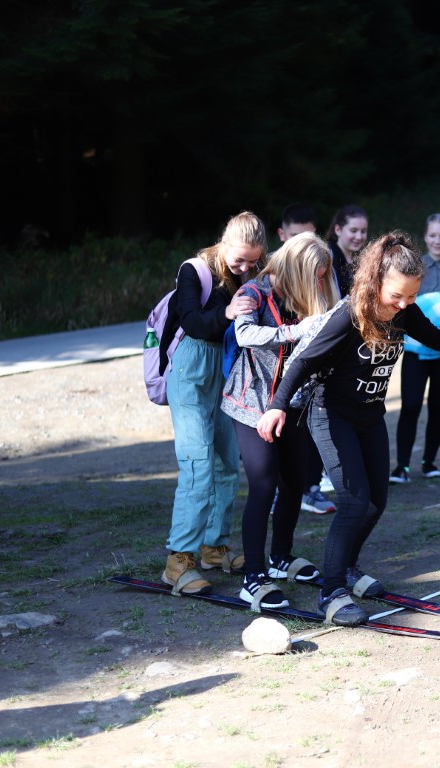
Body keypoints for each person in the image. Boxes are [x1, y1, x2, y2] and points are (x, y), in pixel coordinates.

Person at [255, 231, 440, 627]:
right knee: (353, 501)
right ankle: (332, 592)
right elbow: (303, 362)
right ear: (375, 281)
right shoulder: (349, 314)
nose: (403, 304)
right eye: (397, 295)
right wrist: (276, 407)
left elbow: (437, 337)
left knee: (376, 502)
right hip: (331, 414)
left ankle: (347, 568)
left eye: (411, 296)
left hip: (369, 417)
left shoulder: (404, 311)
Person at [221, 232, 341, 609]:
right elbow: (244, 334)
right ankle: (253, 576)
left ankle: (281, 558)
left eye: (323, 277)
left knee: (294, 482)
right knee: (263, 484)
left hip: (293, 402)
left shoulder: (307, 294)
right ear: (297, 268)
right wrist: (296, 330)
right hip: (252, 403)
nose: (319, 284)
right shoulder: (254, 292)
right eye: (315, 276)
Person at [161, 211, 266, 596]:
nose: (245, 268)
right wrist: (228, 311)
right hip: (190, 368)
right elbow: (192, 321)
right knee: (197, 464)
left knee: (227, 462)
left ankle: (214, 547)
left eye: (253, 262)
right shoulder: (195, 270)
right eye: (239, 260)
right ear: (224, 241)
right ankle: (178, 560)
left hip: (225, 369)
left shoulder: (253, 271)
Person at [391, 213, 440, 484]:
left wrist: (425, 307)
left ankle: (429, 462)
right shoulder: (414, 267)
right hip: (415, 348)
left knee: (438, 405)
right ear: (425, 236)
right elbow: (404, 304)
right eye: (433, 235)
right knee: (410, 405)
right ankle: (401, 467)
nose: (438, 241)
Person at [273, 203, 336, 515]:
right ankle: (282, 491)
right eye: (298, 238)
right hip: (275, 383)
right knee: (279, 448)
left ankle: (309, 488)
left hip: (309, 384)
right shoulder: (268, 286)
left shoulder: (321, 276)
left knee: (309, 439)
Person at [325, 204, 368, 298]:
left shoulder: (363, 260)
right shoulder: (327, 258)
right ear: (338, 230)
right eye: (353, 231)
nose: (359, 237)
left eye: (363, 231)